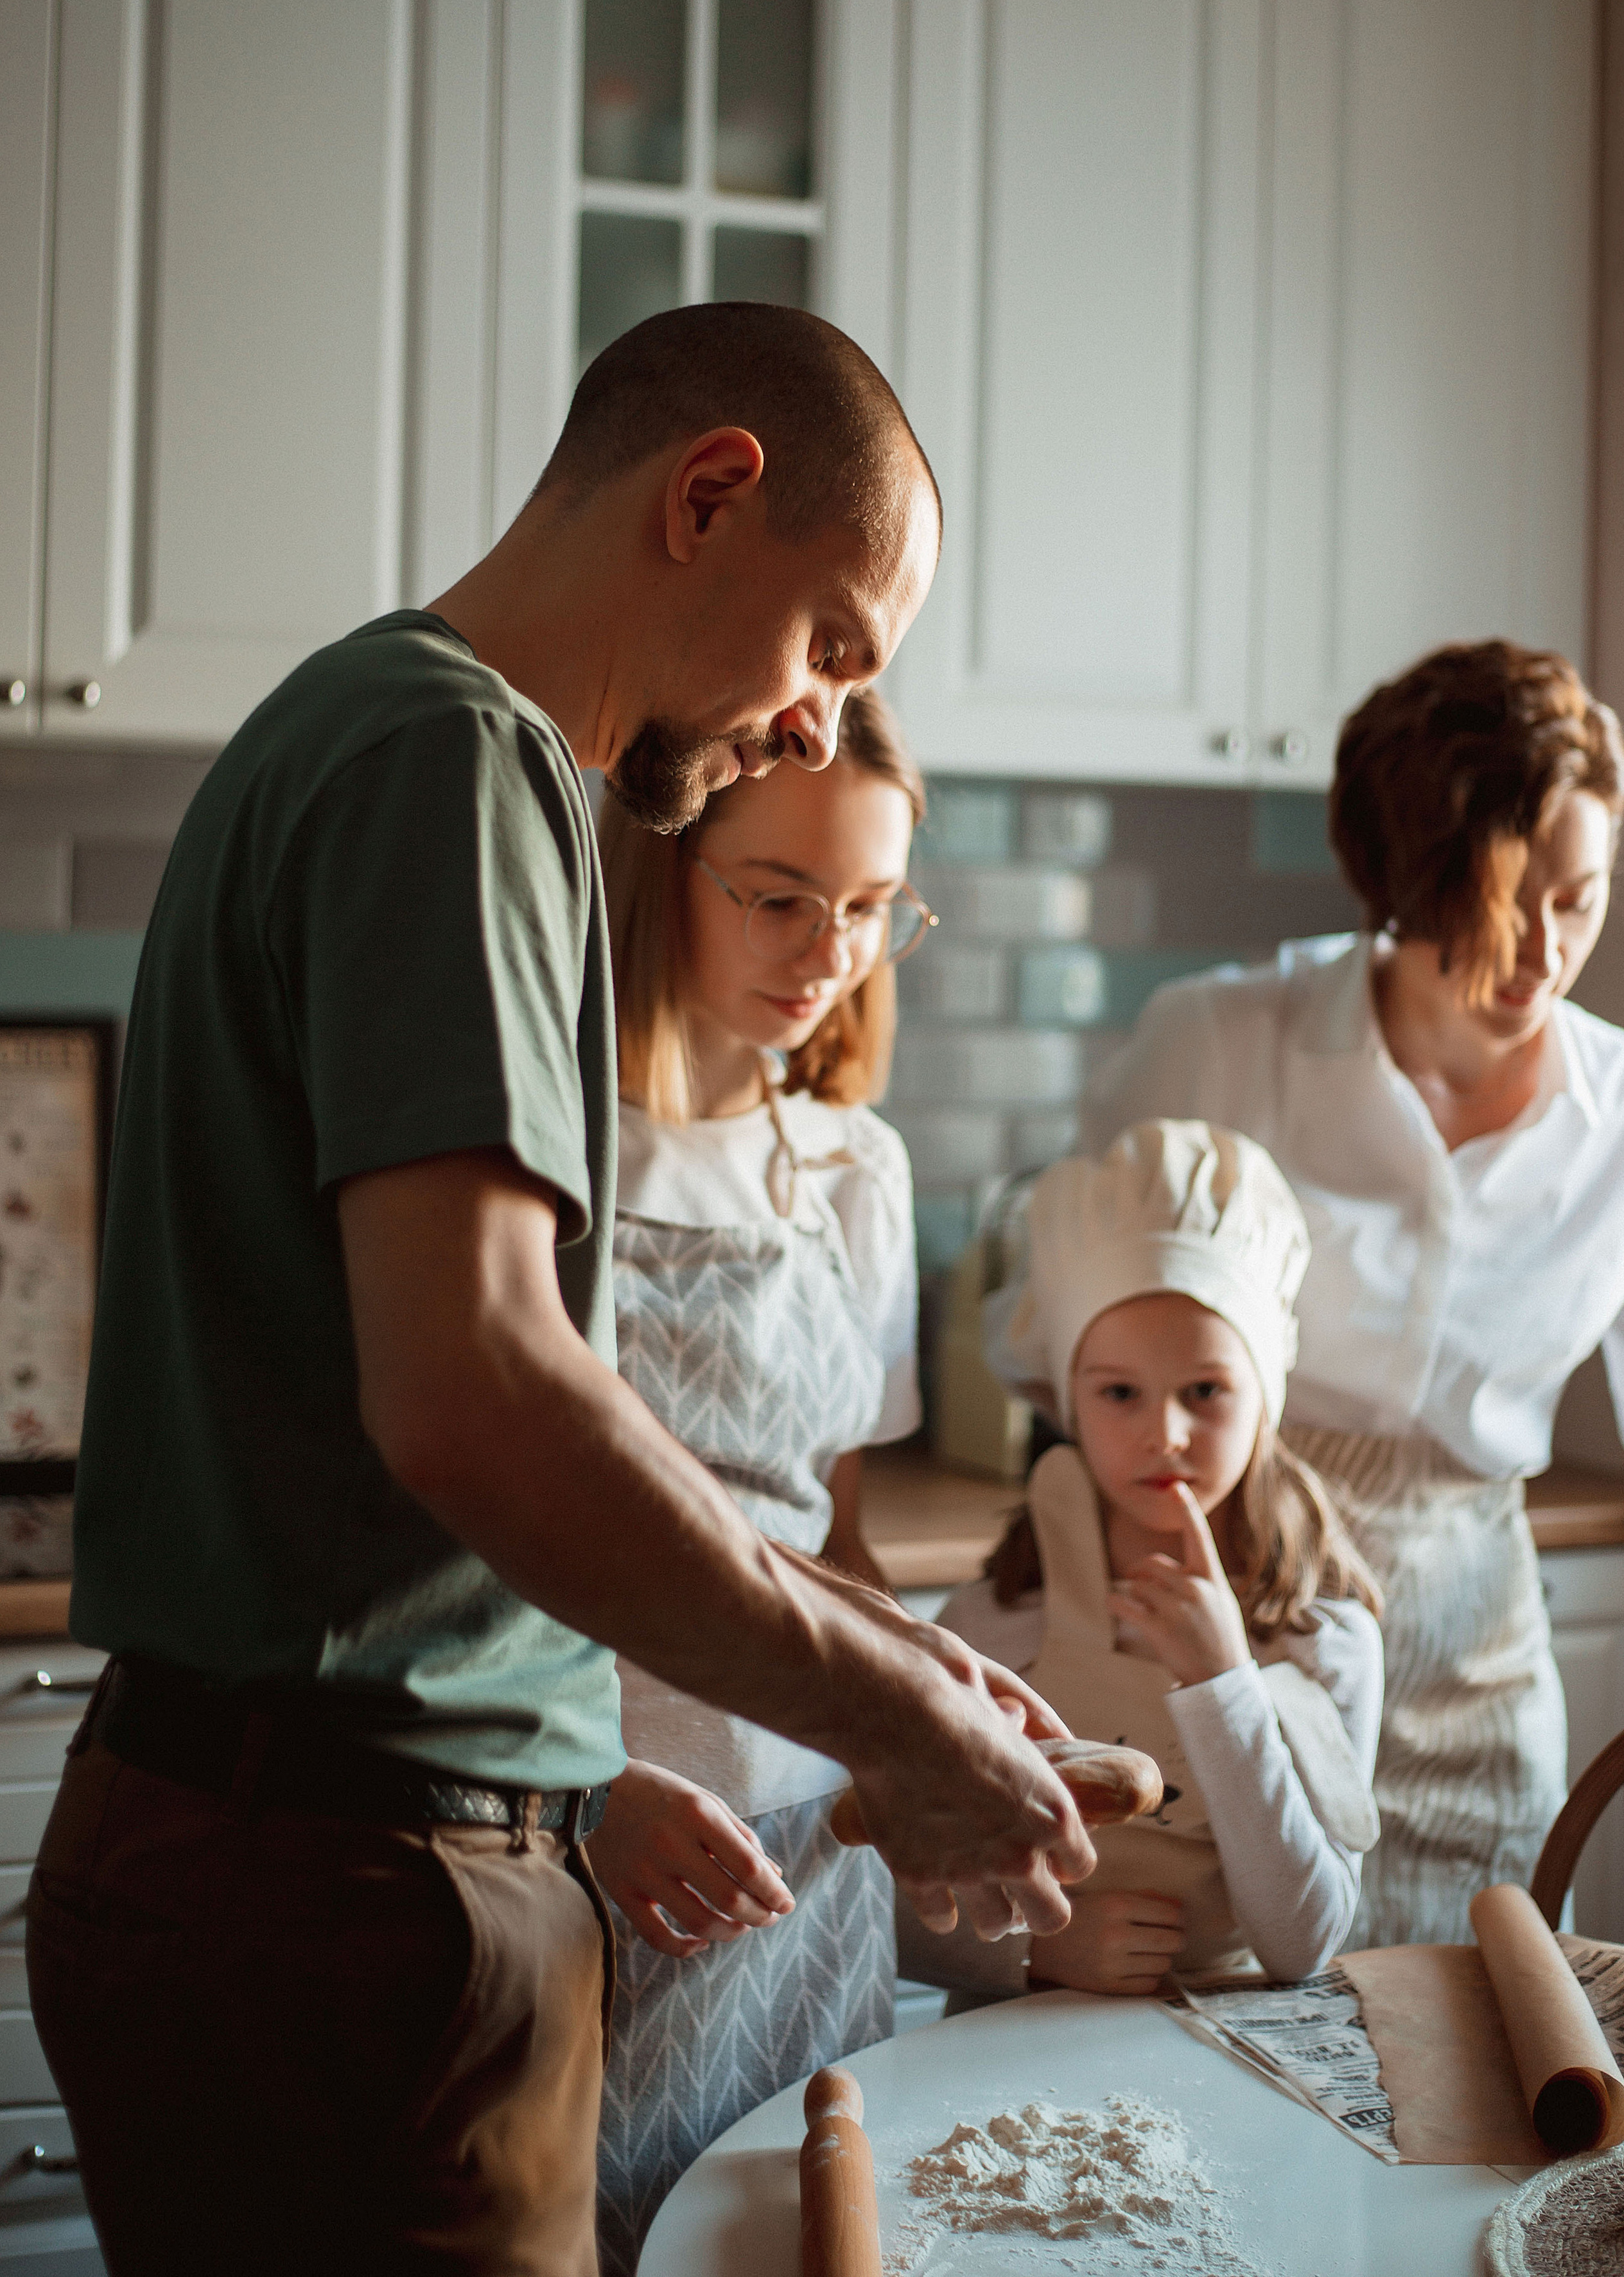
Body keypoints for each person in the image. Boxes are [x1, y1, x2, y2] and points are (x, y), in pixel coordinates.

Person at [28, 304, 1096, 2277]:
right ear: (710, 495)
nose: (812, 717)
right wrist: (894, 1719)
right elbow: (483, 1391)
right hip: (351, 1894)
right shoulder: (456, 754)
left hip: (300, 1868)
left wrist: (908, 1658)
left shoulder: (378, 729)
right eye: (834, 644)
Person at [1078, 642, 1624, 1946]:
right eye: (1497, 904)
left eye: (1578, 898)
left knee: (1463, 2094)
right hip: (1246, 1651)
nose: (1538, 951)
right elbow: (1060, 1344)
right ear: (1401, 882)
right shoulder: (1219, 1040)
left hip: (1481, 1677)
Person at [587, 684, 929, 2271]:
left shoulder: (852, 1170)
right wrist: (581, 1793)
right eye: (781, 896)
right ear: (667, 867)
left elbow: (836, 1541)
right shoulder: (542, 1151)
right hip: (592, 1852)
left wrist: (940, 1727)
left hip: (815, 1864)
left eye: (868, 907)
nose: (828, 951)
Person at [909, 1121, 1383, 2001]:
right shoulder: (991, 1623)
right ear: (1067, 1400)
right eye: (1120, 1392)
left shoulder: (1326, 1636)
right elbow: (891, 1903)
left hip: (1242, 2042)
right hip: (1015, 2041)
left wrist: (1223, 1681)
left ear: (1265, 1399)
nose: (1165, 1432)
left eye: (1205, 1391)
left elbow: (1304, 1940)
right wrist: (1037, 1950)